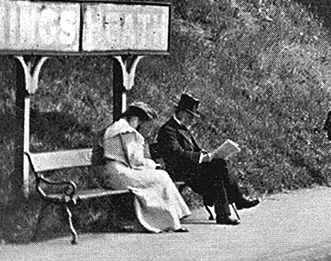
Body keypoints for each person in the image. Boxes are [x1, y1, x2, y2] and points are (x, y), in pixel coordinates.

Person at [156, 93, 259, 226]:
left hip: (193, 168)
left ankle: (225, 212)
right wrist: (202, 158)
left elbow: (196, 149)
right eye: (189, 116)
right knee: (217, 170)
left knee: (218, 164)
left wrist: (208, 154)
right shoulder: (167, 130)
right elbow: (176, 154)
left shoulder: (184, 129)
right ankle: (236, 201)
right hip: (180, 170)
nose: (191, 120)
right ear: (180, 112)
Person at [102, 101, 191, 233]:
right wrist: (152, 164)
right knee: (161, 176)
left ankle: (171, 220)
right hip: (119, 173)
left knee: (159, 178)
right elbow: (135, 161)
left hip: (115, 171)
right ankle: (172, 220)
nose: (139, 126)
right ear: (134, 118)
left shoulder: (117, 127)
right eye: (139, 122)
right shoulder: (126, 131)